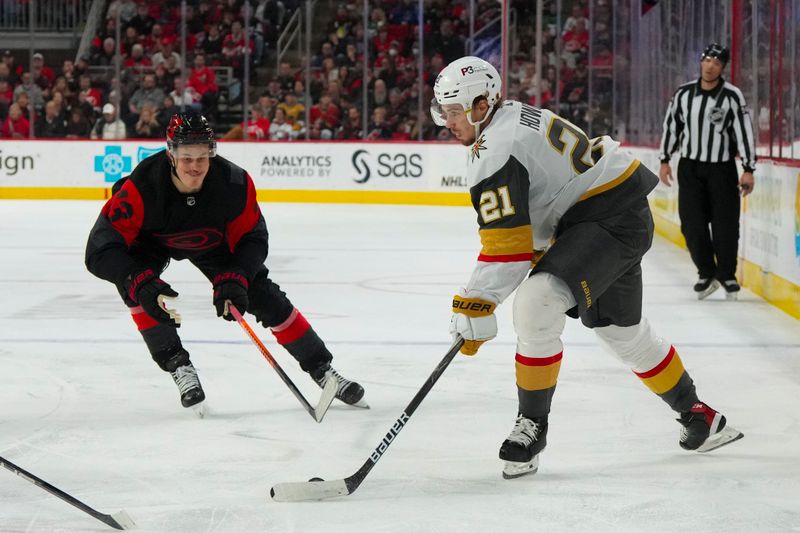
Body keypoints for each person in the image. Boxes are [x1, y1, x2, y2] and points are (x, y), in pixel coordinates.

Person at [430, 56, 743, 479]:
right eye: (443, 111)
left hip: (607, 219)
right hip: (616, 212)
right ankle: (701, 417)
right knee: (622, 333)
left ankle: (532, 427)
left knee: (537, 302)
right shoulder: (510, 117)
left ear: (482, 105)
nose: (447, 121)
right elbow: (538, 214)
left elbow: (507, 247)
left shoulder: (494, 148)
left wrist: (477, 303)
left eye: (454, 111)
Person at [85, 112, 365, 415]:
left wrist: (236, 277)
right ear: (170, 154)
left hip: (212, 242)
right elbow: (99, 249)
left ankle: (323, 370)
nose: (194, 168)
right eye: (186, 158)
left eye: (202, 158)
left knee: (262, 295)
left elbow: (254, 238)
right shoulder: (142, 186)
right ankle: (178, 365)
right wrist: (137, 279)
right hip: (149, 240)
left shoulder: (234, 183)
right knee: (137, 290)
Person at [659, 43, 756, 300]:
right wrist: (665, 159)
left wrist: (748, 168)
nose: (710, 65)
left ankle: (726, 275)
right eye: (707, 60)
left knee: (725, 224)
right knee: (691, 224)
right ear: (701, 62)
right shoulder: (683, 94)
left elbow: (744, 132)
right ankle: (706, 271)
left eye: (716, 62)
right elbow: (672, 127)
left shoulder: (732, 96)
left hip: (722, 169)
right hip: (690, 167)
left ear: (723, 67)